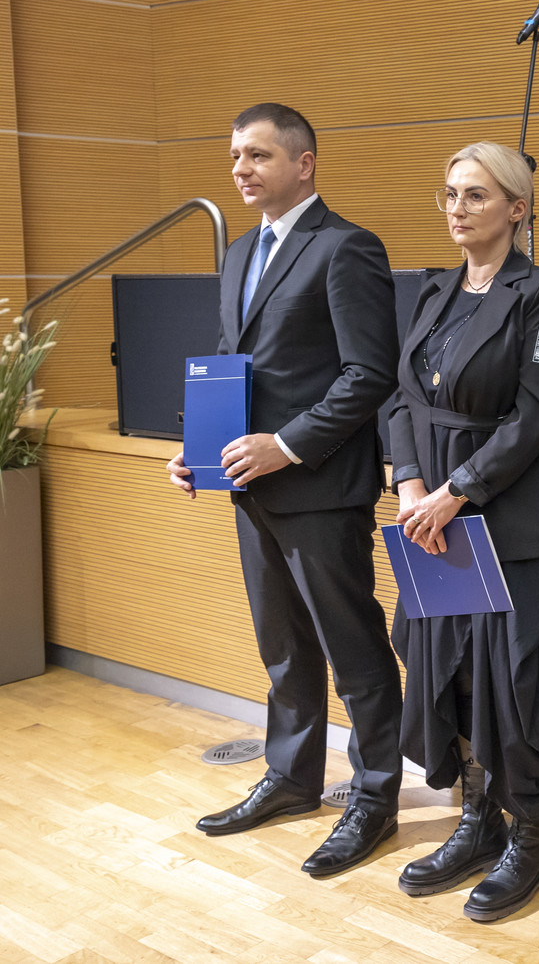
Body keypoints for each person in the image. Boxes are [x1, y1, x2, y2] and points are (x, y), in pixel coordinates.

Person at [167, 103, 403, 877]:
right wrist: (197, 447)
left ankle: (374, 797)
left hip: (322, 487)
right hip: (249, 488)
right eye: (236, 155)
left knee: (353, 650)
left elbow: (368, 373)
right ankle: (293, 779)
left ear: (304, 164)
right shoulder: (240, 252)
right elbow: (231, 361)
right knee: (283, 649)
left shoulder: (346, 247)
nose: (241, 169)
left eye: (258, 155)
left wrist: (287, 445)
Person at [387, 142, 539, 923]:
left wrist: (456, 491)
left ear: (517, 208)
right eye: (449, 194)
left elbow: (537, 414)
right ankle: (478, 822)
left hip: (510, 523)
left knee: (519, 684)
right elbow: (400, 399)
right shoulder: (433, 290)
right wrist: (410, 483)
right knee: (453, 674)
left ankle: (530, 839)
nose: (457, 208)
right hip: (434, 525)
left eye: (475, 194)